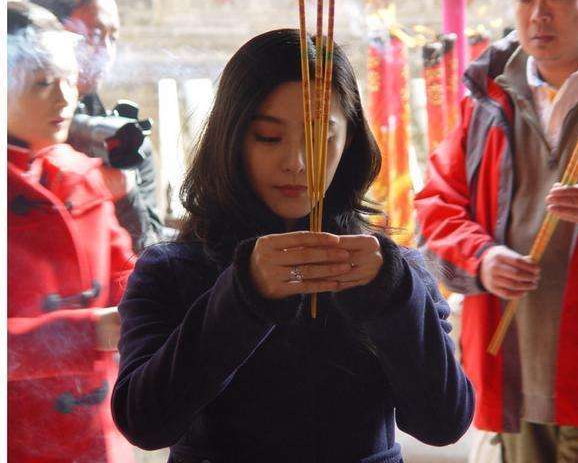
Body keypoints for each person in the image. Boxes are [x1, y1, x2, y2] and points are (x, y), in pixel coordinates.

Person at [111, 28, 474, 462]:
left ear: (351, 140)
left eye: (321, 137)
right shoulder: (172, 268)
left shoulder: (386, 270)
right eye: (268, 137)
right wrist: (243, 296)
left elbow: (443, 422)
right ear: (231, 140)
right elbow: (144, 423)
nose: (296, 162)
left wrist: (394, 296)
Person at [415, 0, 578, 462]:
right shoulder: (487, 91)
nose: (539, 15)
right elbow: (437, 202)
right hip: (515, 370)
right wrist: (483, 257)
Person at [7, 1, 135, 462]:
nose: (64, 98)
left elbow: (126, 273)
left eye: (67, 79)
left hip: (99, 430)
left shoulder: (80, 173)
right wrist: (89, 332)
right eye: (42, 83)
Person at [29, 0, 165, 252]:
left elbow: (152, 260)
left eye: (112, 38)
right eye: (93, 34)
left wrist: (126, 197)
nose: (106, 51)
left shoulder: (125, 145)